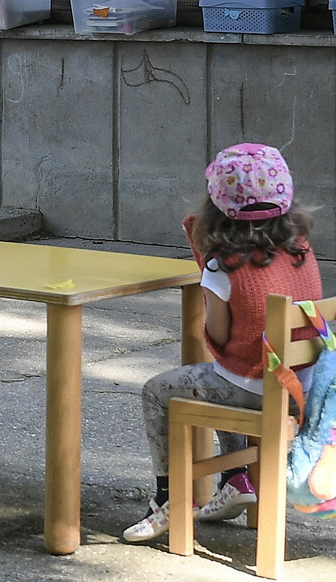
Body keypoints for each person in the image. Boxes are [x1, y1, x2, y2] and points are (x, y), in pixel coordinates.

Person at [123, 142, 323, 544]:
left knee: (158, 390)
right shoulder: (301, 248)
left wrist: (206, 269)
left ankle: (167, 498)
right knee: (219, 379)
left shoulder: (222, 265)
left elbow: (218, 337)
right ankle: (235, 480)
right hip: (307, 386)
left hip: (258, 388)